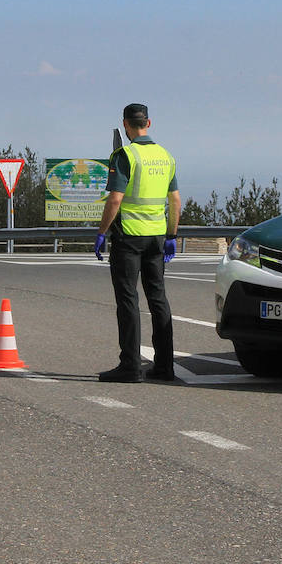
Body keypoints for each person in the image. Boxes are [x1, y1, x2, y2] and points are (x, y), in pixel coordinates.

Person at [93, 103, 181, 383]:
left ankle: (130, 366)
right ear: (149, 123)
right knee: (158, 299)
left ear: (126, 125)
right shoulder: (166, 156)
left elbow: (115, 199)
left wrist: (101, 232)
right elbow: (175, 200)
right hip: (157, 237)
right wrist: (171, 236)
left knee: (128, 299)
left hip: (129, 237)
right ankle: (165, 366)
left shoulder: (124, 155)